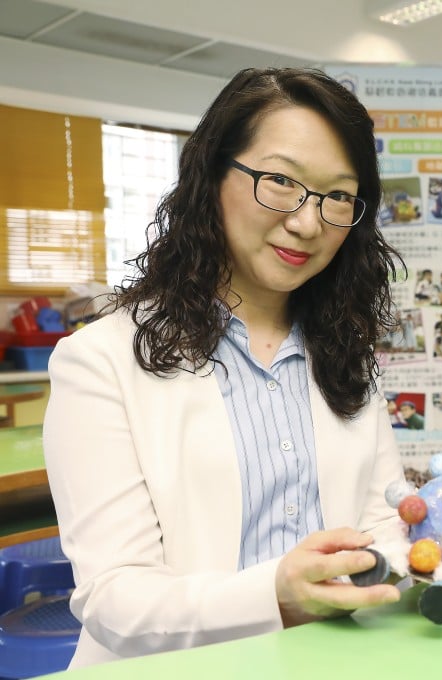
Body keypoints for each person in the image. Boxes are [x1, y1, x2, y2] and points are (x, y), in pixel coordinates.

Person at [42, 67, 408, 668]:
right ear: (212, 173)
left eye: (338, 196)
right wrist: (275, 597)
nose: (307, 222)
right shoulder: (99, 361)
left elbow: (378, 523)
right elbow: (115, 600)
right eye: (280, 182)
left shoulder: (343, 352)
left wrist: (428, 541)